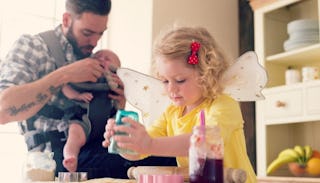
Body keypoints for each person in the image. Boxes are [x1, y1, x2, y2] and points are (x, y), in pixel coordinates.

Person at [0, 0, 176, 179]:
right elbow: (3, 110)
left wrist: (119, 103)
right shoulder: (33, 47)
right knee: (163, 160)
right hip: (55, 157)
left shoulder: (98, 60)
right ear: (67, 20)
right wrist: (64, 75)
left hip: (99, 146)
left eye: (100, 34)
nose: (94, 42)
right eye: (87, 33)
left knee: (169, 154)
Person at [102, 26, 257, 183]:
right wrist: (126, 143)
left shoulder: (223, 105)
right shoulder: (172, 113)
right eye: (165, 81)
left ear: (206, 74)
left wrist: (149, 144)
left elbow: (204, 143)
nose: (171, 89)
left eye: (180, 80)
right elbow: (140, 152)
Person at [62, 49, 121, 172]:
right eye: (97, 56)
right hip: (82, 120)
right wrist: (77, 96)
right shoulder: (84, 76)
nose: (101, 59)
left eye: (107, 59)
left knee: (119, 133)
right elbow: (64, 86)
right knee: (74, 137)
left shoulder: (114, 83)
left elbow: (119, 108)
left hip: (105, 127)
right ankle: (70, 157)